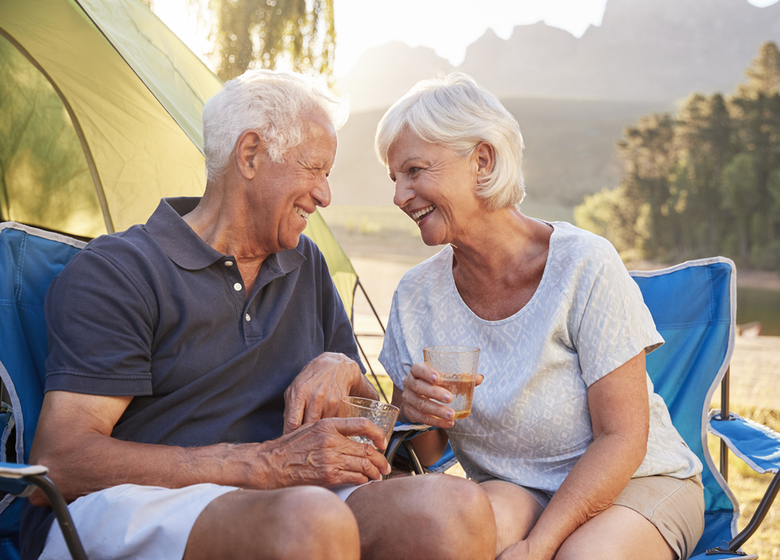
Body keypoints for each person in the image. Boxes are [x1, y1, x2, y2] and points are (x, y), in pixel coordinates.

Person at [21, 70, 495, 560]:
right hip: (135, 501)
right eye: (314, 169)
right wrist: (265, 464)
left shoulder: (304, 264)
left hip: (289, 494)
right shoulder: (121, 269)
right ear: (249, 154)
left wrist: (346, 369)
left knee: (455, 508)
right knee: (310, 522)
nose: (325, 194)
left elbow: (363, 418)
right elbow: (60, 463)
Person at [375, 72, 705, 560]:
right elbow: (425, 457)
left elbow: (623, 437)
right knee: (445, 535)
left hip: (635, 481)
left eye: (416, 171)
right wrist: (416, 416)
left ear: (481, 160)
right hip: (516, 488)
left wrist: (538, 545)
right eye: (395, 179)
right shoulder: (415, 296)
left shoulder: (582, 264)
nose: (400, 196)